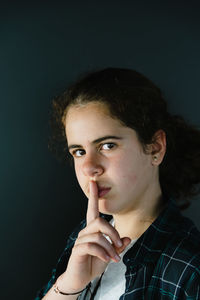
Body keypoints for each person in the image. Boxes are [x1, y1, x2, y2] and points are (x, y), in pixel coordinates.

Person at [35, 68, 200, 300]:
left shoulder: (189, 269)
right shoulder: (81, 240)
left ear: (155, 147)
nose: (89, 167)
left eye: (107, 146)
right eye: (79, 151)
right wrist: (70, 285)